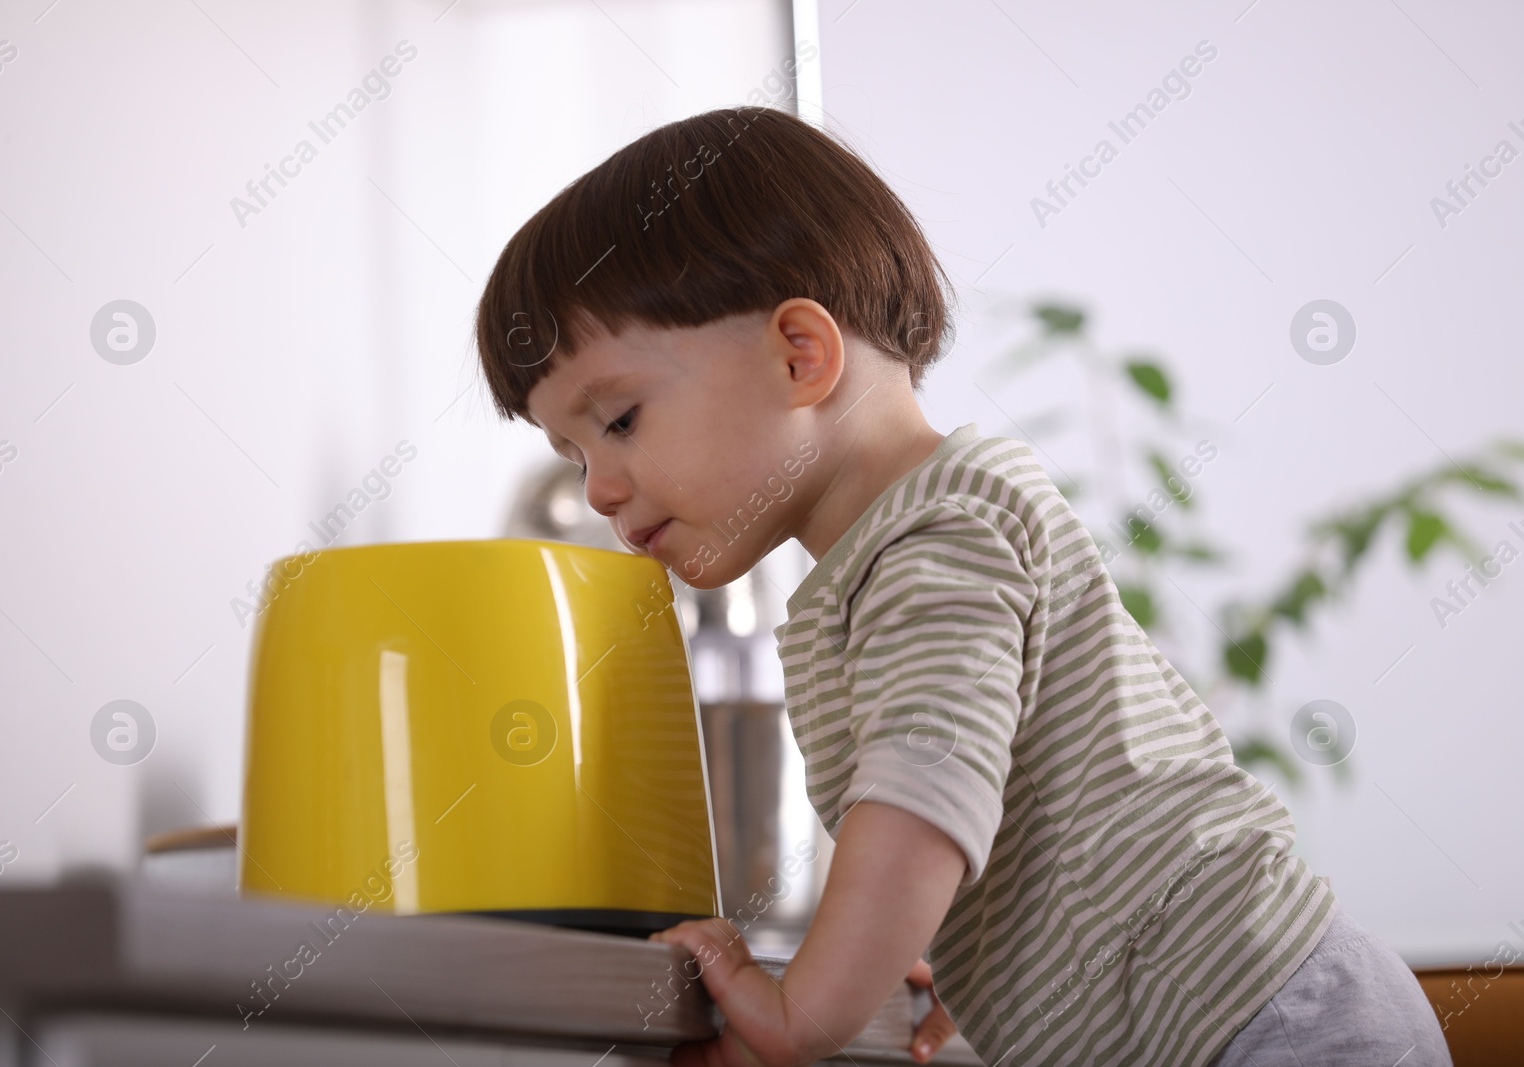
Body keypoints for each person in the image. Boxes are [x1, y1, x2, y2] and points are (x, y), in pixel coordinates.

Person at [471, 106, 1449, 1067]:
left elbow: (923, 780)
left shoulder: (932, 532)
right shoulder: (906, 538)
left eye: (621, 420)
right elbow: (1009, 791)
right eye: (568, 448)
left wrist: (801, 1010)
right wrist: (978, 958)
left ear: (797, 354)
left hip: (1268, 1022)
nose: (597, 486)